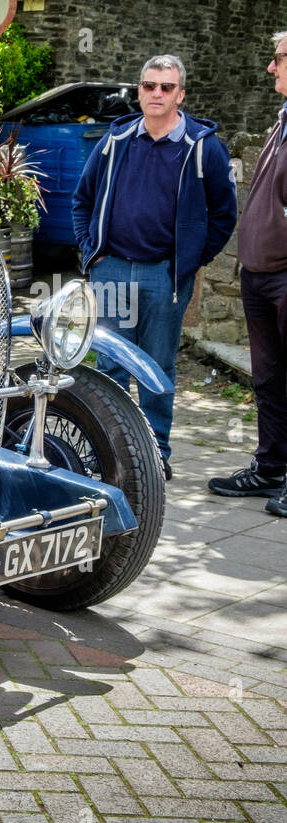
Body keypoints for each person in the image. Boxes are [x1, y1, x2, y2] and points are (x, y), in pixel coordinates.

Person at [71, 54, 238, 481]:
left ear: (181, 94)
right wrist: (92, 252)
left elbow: (224, 214)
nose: (157, 94)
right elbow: (82, 199)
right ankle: (105, 451)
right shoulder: (117, 140)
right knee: (107, 367)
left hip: (163, 276)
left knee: (156, 367)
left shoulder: (203, 148)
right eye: (149, 86)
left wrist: (190, 262)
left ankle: (155, 455)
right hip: (111, 270)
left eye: (166, 87)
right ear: (140, 91)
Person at [209, 31, 287, 514]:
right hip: (260, 274)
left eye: (279, 58)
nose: (271, 68)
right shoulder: (282, 121)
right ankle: (272, 468)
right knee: (269, 379)